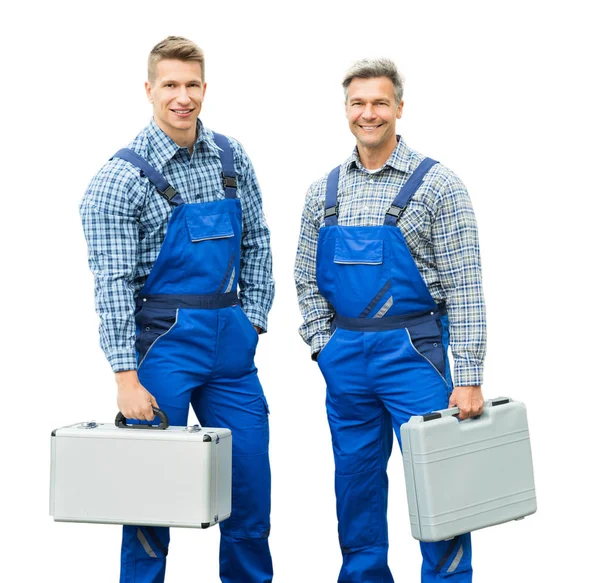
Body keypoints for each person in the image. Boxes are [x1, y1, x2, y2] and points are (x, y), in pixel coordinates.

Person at [80, 36, 274, 583]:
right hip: (162, 348)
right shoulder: (118, 181)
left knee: (249, 486)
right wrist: (124, 377)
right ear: (149, 90)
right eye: (170, 85)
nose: (182, 97)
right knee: (150, 496)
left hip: (232, 349)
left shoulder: (232, 158)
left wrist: (252, 319)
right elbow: (112, 286)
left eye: (192, 85)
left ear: (205, 89)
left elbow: (257, 241)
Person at [294, 58, 486, 582]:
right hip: (347, 359)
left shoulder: (438, 185)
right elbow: (306, 280)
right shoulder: (324, 191)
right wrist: (323, 347)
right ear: (346, 110)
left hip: (415, 354)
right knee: (355, 485)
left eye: (380, 102)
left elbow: (466, 287)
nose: (369, 113)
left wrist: (468, 377)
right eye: (358, 103)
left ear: (399, 107)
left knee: (439, 485)